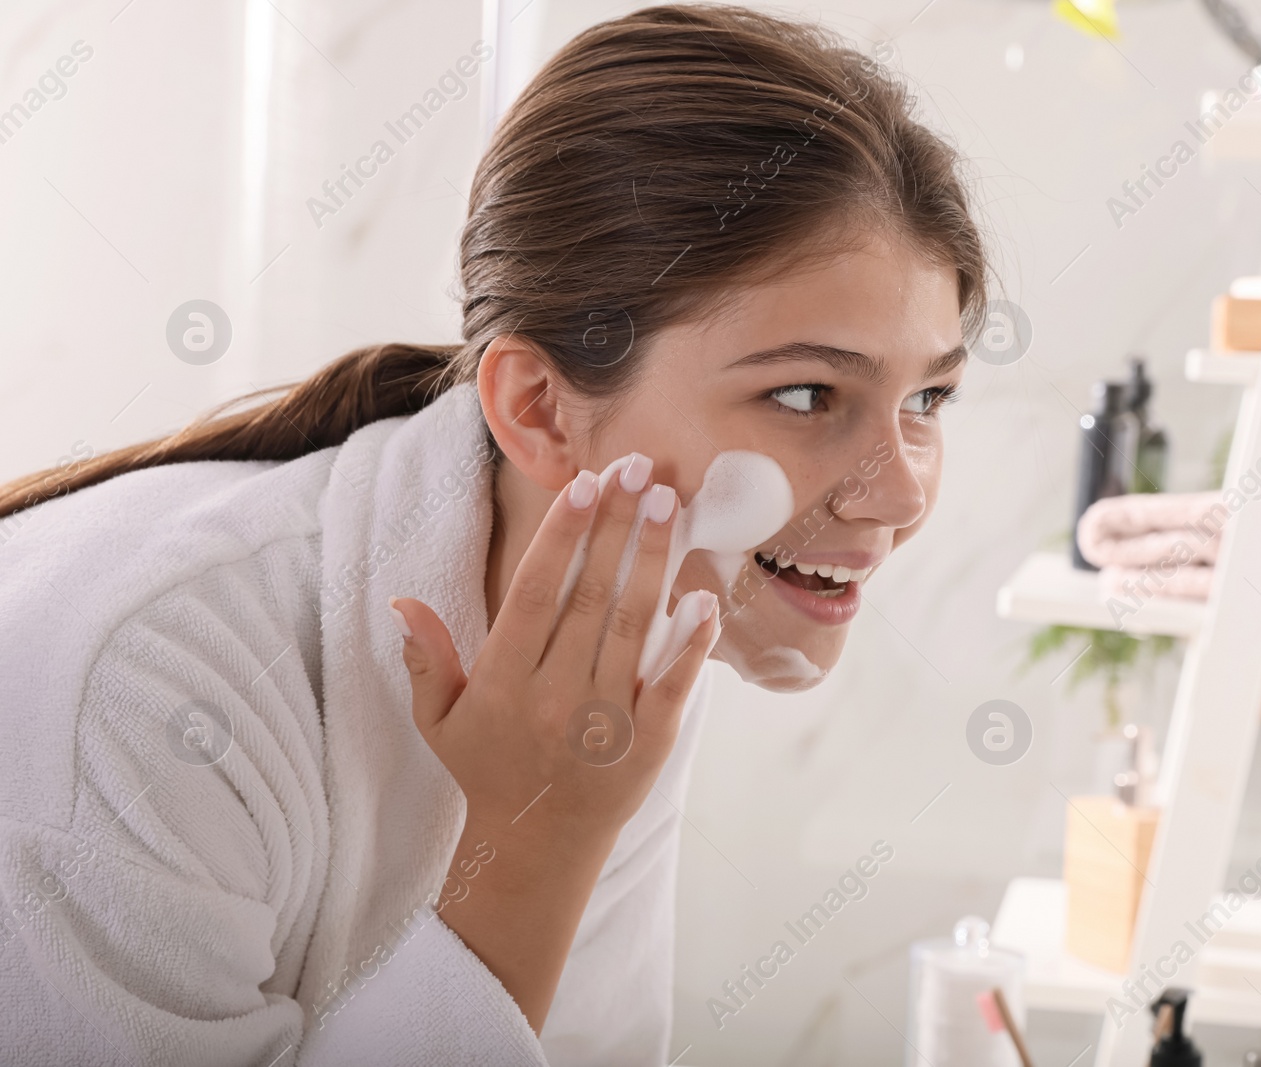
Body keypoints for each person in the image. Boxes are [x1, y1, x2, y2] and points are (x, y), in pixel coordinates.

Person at [0, 4, 988, 1063]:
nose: (899, 495)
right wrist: (539, 838)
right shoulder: (146, 685)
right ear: (540, 411)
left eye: (927, 399)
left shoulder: (627, 628)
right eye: (804, 393)